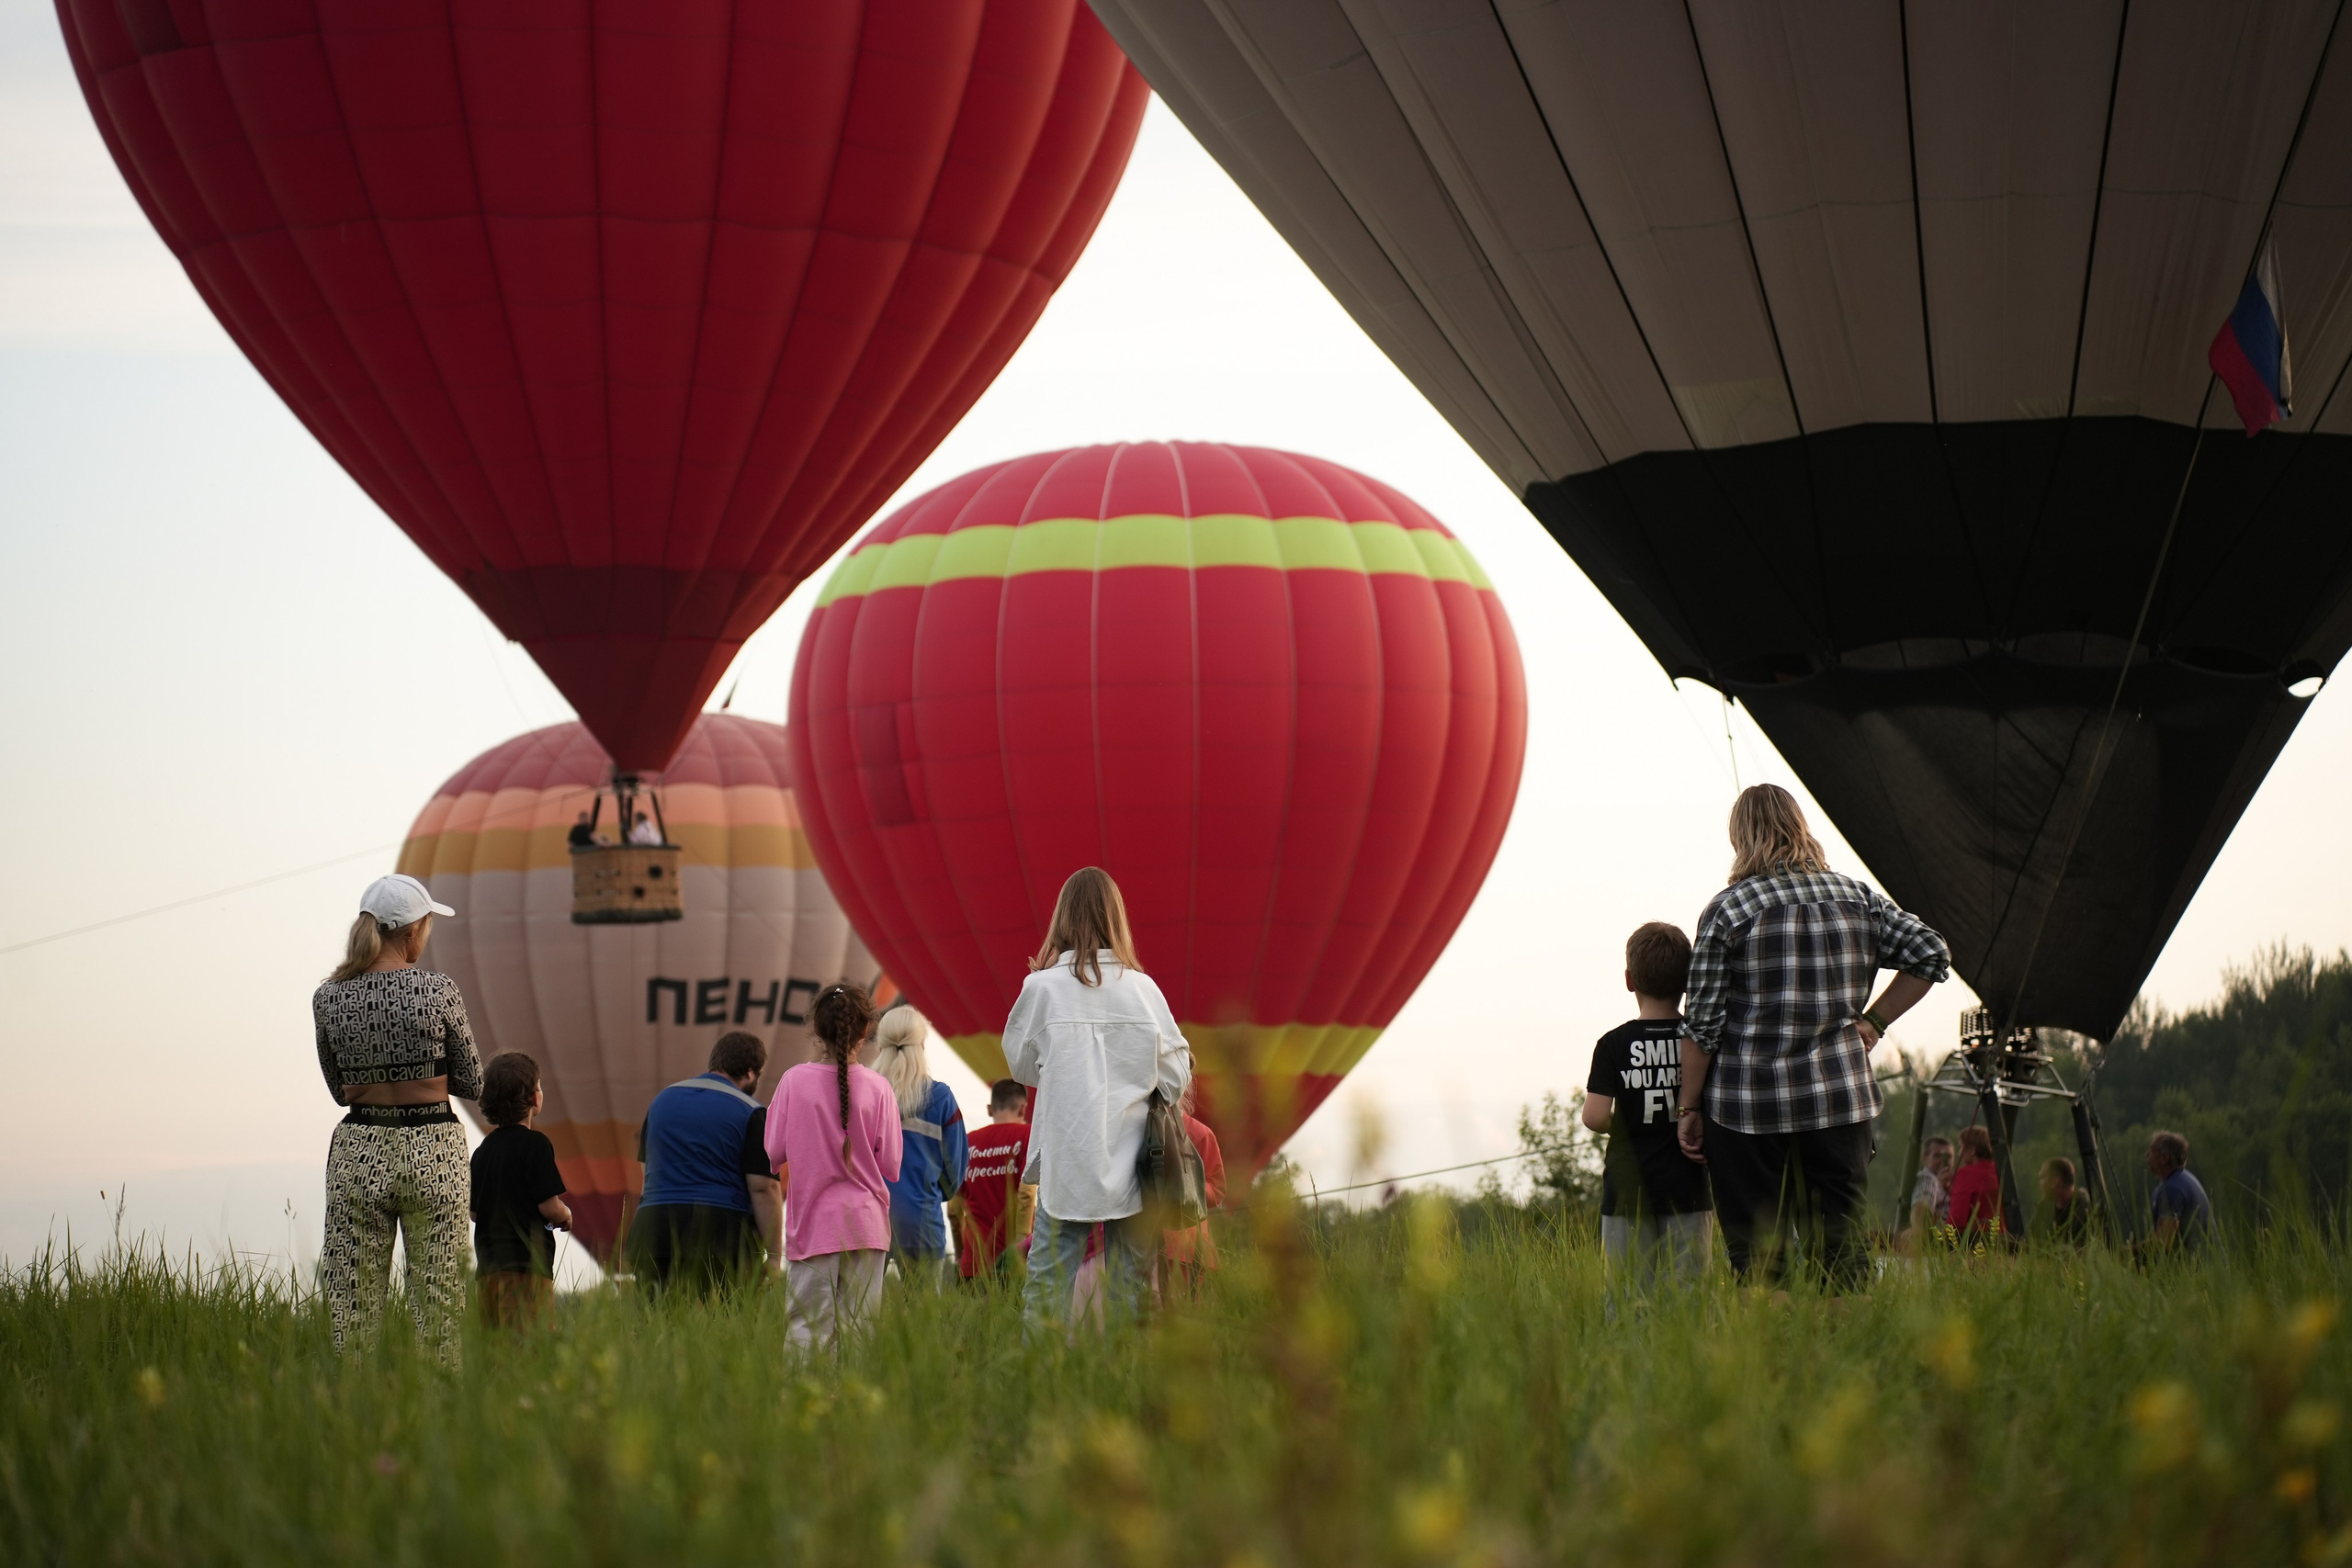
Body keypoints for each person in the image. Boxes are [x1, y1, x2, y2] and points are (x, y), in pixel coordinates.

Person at [1677, 784, 1951, 1292]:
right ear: (1799, 827)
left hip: (1748, 1109)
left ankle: (1771, 1342)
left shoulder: (1728, 912)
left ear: (1740, 837)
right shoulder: (1857, 897)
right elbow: (1931, 953)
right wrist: (1875, 1021)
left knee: (1761, 1262)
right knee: (1842, 1254)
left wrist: (1688, 1107)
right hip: (1839, 1101)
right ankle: (1845, 1339)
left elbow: (1702, 1025)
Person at [1006, 866, 1193, 1332]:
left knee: (1046, 1292)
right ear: (1117, 918)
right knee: (1131, 1293)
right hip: (1132, 1166)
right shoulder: (1144, 990)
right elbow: (1175, 1078)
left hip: (1067, 1162)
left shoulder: (1041, 988)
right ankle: (1125, 1374)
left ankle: (1041, 1375)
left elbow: (1021, 1067)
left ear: (1062, 918)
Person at [313, 873, 481, 1363]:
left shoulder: (328, 997)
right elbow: (473, 1082)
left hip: (359, 1148)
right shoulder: (438, 990)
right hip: (433, 1148)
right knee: (439, 1304)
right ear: (412, 931)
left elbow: (338, 1091)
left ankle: (354, 1400)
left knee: (352, 1309)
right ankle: (438, 1399)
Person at [764, 984, 902, 1350]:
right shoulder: (880, 1087)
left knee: (807, 1329)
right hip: (867, 1225)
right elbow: (891, 1164)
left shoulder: (793, 1081)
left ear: (816, 1028)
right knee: (861, 1331)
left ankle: (804, 1390)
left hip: (813, 1224)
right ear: (865, 1030)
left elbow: (773, 1150)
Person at [1581, 922, 1713, 1288]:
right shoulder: (1701, 1041)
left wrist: (1627, 1123)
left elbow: (1594, 1117)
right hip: (1688, 1189)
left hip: (1627, 1192)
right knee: (1690, 1297)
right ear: (1687, 980)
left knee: (1627, 1298)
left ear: (1629, 979)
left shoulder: (1612, 1044)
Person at [628, 1031, 782, 1292]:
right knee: (728, 1316)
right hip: (722, 1234)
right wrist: (775, 1256)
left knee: (656, 1316)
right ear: (751, 1073)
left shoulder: (661, 1101)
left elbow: (648, 1170)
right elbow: (763, 1187)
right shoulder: (753, 1111)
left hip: (653, 1229)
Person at [470, 1052, 571, 1328]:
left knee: (494, 1343)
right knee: (531, 1343)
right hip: (527, 1269)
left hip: (487, 1271)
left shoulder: (482, 1152)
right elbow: (549, 1207)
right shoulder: (536, 1145)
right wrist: (565, 1215)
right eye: (539, 1086)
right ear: (534, 1099)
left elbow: (475, 1214)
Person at [867, 1006, 969, 1280]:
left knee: (860, 1303)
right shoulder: (941, 1098)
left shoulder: (862, 1094)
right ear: (921, 1045)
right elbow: (955, 1169)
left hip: (866, 1219)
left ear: (880, 1045)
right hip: (921, 1221)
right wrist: (930, 1193)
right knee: (923, 1303)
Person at [954, 1079, 1036, 1287]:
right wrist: (1019, 1246)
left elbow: (954, 1207)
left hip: (972, 1263)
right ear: (1023, 1108)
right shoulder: (1028, 1135)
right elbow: (1027, 1193)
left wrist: (960, 1253)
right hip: (1011, 1266)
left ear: (990, 1109)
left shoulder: (968, 1141)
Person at [1162, 1086, 1227, 1300]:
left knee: (1185, 1314)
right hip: (1138, 1247)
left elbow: (1217, 1189)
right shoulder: (1133, 1130)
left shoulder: (1199, 1133)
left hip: (1186, 1251)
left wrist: (1186, 1186)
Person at [2146, 1129, 2213, 1253]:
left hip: (2203, 1264)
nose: (2147, 1155)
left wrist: (2128, 1251)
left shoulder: (2172, 1189)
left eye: (2151, 1151)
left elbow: (2163, 1243)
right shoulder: (2180, 1180)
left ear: (2164, 1158)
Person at [1947, 1124, 2002, 1241]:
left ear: (1972, 1150)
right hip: (2006, 1241)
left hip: (1978, 1242)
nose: (1959, 1154)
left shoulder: (1965, 1174)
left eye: (1961, 1148)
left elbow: (1956, 1221)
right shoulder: (2001, 1172)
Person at [1908, 1135, 1955, 1241]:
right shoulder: (1928, 1178)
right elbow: (1921, 1211)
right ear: (1925, 1158)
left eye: (1948, 1157)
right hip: (1936, 1241)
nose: (1943, 1161)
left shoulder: (1954, 1184)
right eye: (1937, 1156)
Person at [2041, 1156, 2089, 1247]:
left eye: (2042, 1177)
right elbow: (2027, 1240)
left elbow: (2083, 1250)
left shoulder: (2085, 1211)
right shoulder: (2045, 1208)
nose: (2040, 1183)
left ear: (2055, 1181)